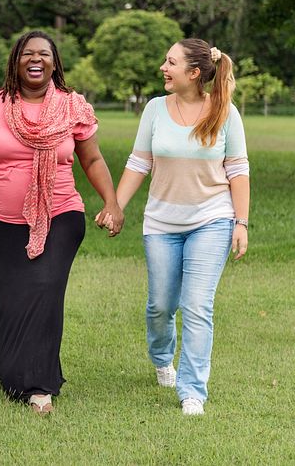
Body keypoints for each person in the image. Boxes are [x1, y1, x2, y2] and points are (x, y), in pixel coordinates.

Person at [0, 30, 123, 415]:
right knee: (7, 297)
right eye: (27, 54)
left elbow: (93, 160)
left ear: (55, 63)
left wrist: (112, 202)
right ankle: (0, 366)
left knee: (42, 291)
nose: (36, 59)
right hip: (0, 220)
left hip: (61, 215)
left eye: (44, 54)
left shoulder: (73, 106)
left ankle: (37, 384)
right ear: (15, 61)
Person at [104, 39, 249, 417]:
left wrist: (241, 222)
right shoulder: (154, 109)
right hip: (162, 223)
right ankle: (161, 358)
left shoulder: (225, 112)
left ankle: (193, 392)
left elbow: (238, 170)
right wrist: (115, 206)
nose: (163, 68)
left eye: (171, 62)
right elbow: (139, 162)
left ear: (194, 73)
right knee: (161, 305)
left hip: (212, 220)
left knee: (197, 306)